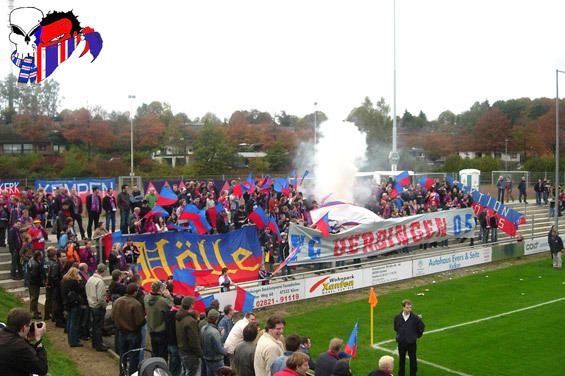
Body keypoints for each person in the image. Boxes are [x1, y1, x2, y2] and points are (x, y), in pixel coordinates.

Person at [0, 308, 48, 376]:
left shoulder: (3, 334)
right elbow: (42, 369)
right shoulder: (20, 347)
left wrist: (26, 339)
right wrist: (38, 340)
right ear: (24, 327)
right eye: (28, 325)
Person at [112, 282, 146, 375]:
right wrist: (145, 319)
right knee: (134, 357)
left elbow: (113, 316)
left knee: (123, 355)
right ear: (135, 292)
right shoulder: (136, 304)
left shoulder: (117, 301)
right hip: (133, 333)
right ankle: (132, 374)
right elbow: (139, 321)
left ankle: (122, 373)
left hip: (121, 332)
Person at [394, 299, 425, 376]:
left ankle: (413, 374)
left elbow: (421, 327)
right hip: (401, 342)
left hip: (411, 343)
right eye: (407, 307)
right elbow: (396, 328)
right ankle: (401, 374)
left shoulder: (415, 318)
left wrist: (416, 336)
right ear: (403, 308)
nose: (409, 309)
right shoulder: (397, 317)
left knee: (413, 360)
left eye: (410, 307)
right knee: (401, 360)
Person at [144, 280, 173, 360]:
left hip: (151, 329)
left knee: (155, 352)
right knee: (163, 355)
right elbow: (172, 307)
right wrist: (169, 296)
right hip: (161, 331)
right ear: (160, 290)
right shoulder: (162, 301)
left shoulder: (146, 298)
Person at [176, 296, 203, 376]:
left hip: (182, 350)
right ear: (191, 305)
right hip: (190, 353)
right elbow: (194, 341)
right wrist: (200, 353)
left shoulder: (179, 316)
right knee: (192, 373)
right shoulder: (190, 321)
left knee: (184, 372)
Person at [85, 263, 108, 352]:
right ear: (104, 271)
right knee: (98, 326)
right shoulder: (100, 282)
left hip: (91, 304)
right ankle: (99, 345)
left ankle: (95, 343)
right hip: (98, 307)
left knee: (94, 326)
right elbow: (101, 297)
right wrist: (104, 305)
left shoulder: (90, 279)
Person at [61, 266, 85, 347]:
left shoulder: (64, 281)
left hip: (68, 303)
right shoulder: (74, 282)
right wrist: (80, 280)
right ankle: (73, 341)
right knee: (74, 323)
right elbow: (81, 289)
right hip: (75, 303)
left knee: (70, 321)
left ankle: (71, 339)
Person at [201, 309, 226, 376]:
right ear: (216, 319)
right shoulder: (214, 333)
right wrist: (227, 352)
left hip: (207, 359)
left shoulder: (203, 328)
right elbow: (219, 349)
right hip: (216, 361)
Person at [27, 250, 44, 319]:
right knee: (34, 298)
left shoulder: (32, 260)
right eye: (41, 255)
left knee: (33, 297)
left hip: (31, 282)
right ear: (38, 256)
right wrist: (40, 283)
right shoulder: (35, 265)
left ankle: (35, 310)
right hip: (34, 283)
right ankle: (33, 313)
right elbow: (35, 276)